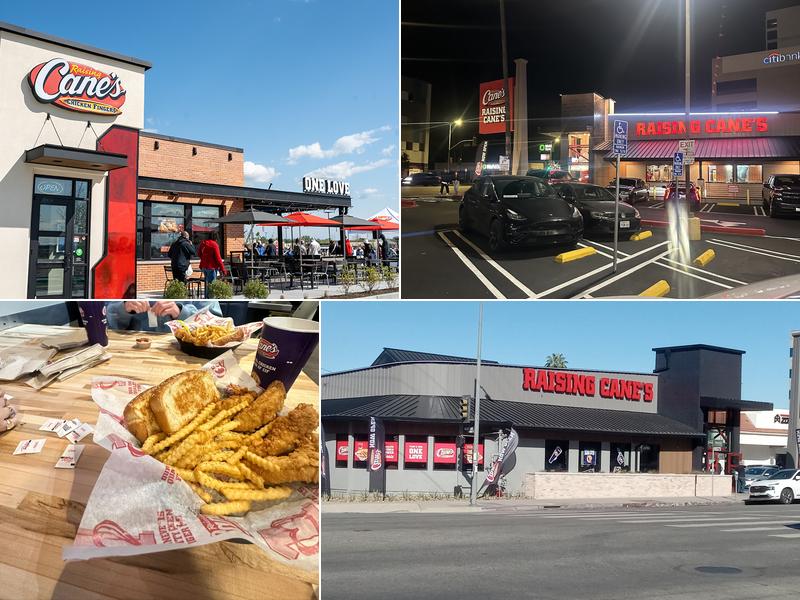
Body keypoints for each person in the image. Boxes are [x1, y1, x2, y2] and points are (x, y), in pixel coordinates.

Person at [106, 300, 222, 332]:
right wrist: (124, 308)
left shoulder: (205, 293)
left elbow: (217, 325)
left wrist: (181, 313)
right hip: (134, 352)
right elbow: (105, 320)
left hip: (186, 352)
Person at [197, 233, 227, 298]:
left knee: (207, 284)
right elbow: (218, 258)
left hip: (204, 266)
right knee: (212, 285)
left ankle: (206, 297)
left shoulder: (203, 243)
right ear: (216, 238)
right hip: (212, 267)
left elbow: (199, 254)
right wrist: (223, 270)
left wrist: (205, 258)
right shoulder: (214, 245)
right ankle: (210, 299)